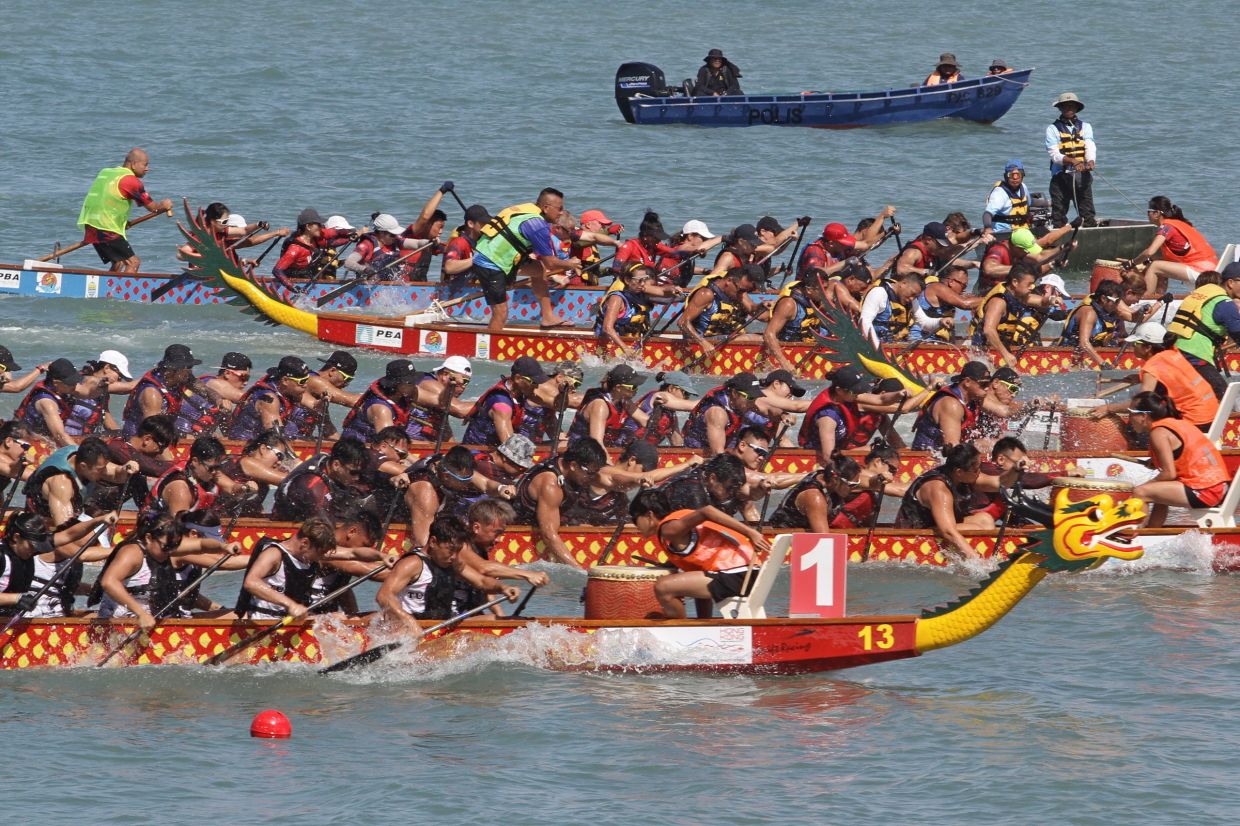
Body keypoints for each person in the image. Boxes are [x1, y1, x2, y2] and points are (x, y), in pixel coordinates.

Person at [630, 490, 771, 619]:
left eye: (636, 520)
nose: (636, 527)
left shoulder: (668, 529)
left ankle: (680, 632)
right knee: (692, 574)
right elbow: (700, 552)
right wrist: (671, 564)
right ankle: (703, 622)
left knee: (663, 587)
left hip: (737, 575)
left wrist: (750, 532)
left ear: (649, 515)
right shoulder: (678, 520)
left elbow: (706, 511)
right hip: (748, 572)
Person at [91, 511, 242, 630]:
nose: (170, 551)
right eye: (166, 547)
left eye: (174, 546)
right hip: (124, 621)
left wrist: (223, 547)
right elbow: (109, 582)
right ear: (149, 538)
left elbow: (202, 544)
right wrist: (141, 613)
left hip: (157, 617)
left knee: (240, 615)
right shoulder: (132, 553)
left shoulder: (167, 546)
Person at [376, 513, 516, 632]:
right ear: (433, 542)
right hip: (412, 629)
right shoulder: (413, 563)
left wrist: (503, 587)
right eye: (451, 550)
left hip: (442, 626)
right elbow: (384, 596)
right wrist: (409, 621)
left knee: (510, 622)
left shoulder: (452, 561)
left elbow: (481, 581)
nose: (455, 556)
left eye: (458, 550)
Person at [472, 188, 582, 332]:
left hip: (503, 257)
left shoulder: (531, 212)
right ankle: (489, 348)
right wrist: (570, 264)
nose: (561, 212)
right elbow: (551, 263)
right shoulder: (537, 225)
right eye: (559, 208)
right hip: (489, 262)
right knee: (501, 312)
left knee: (537, 270)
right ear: (546, 208)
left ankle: (548, 316)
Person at [1090, 322, 1220, 429]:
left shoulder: (1152, 367)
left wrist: (1108, 408)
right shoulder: (1172, 352)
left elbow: (1141, 404)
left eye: (1135, 344)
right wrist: (1140, 378)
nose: (1132, 348)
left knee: (1139, 417)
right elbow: (1170, 377)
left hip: (1195, 420)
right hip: (1213, 414)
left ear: (1147, 348)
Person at [1127, 392, 1230, 527]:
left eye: (1131, 413)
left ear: (1143, 416)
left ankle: (1134, 537)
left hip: (1206, 490)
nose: (1129, 419)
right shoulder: (1176, 423)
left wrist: (1144, 486)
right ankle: (1151, 532)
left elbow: (1169, 473)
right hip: (1218, 486)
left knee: (1140, 492)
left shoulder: (1158, 433)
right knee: (1158, 492)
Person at [0, 510, 117, 618]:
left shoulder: (27, 548)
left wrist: (99, 520)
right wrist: (16, 599)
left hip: (14, 614)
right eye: (32, 546)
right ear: (16, 537)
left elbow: (69, 535)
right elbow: (82, 555)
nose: (35, 551)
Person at [513, 438, 610, 567]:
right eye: (590, 473)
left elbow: (612, 477)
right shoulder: (550, 485)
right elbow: (548, 534)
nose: (594, 478)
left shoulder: (568, 465)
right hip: (519, 537)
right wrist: (579, 571)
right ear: (573, 466)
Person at [75, 148, 173, 272]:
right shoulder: (131, 181)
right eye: (145, 164)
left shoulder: (106, 172)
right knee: (133, 262)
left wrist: (121, 222)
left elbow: (105, 200)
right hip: (106, 228)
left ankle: (108, 290)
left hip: (91, 225)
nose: (147, 168)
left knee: (119, 262)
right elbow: (153, 207)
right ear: (133, 164)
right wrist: (164, 205)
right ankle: (124, 291)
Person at [233, 516, 348, 619]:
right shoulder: (274, 554)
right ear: (305, 543)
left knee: (337, 618)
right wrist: (291, 605)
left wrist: (326, 618)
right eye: (320, 553)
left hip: (290, 623)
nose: (320, 558)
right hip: (264, 624)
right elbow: (251, 582)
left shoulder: (305, 559)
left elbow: (353, 553)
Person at [798, 367, 914, 463]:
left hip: (840, 453)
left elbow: (881, 399)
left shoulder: (850, 396)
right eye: (855, 391)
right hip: (817, 460)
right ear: (839, 390)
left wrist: (899, 394)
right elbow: (829, 457)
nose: (859, 393)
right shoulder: (828, 417)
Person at [894, 443, 984, 561]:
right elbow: (948, 532)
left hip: (937, 526)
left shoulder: (958, 475)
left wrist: (1016, 470)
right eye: (976, 470)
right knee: (976, 528)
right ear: (959, 472)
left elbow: (997, 482)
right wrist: (977, 561)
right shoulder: (939, 490)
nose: (979, 472)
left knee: (985, 520)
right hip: (911, 537)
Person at [24, 436, 139, 528]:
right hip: (41, 525)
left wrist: (125, 468)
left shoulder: (83, 456)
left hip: (72, 514)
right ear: (83, 466)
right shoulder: (61, 484)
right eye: (100, 469)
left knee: (138, 480)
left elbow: (116, 474)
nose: (104, 472)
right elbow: (65, 531)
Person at [970, 263, 1059, 367]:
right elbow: (988, 330)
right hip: (980, 354)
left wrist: (1051, 299)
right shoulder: (998, 301)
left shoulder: (1018, 294)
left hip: (998, 349)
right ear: (1015, 282)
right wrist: (1006, 354)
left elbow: (1040, 301)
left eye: (1033, 283)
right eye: (1029, 284)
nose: (1033, 287)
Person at [1125, 196, 1219, 294]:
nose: (1147, 214)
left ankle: (1146, 299)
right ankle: (1158, 296)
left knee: (1154, 266)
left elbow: (1150, 251)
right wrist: (1146, 261)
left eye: (1149, 211)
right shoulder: (1179, 223)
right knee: (1157, 264)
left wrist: (1132, 263)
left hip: (1202, 271)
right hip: (1211, 268)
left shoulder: (1167, 227)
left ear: (1157, 213)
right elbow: (1159, 255)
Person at [271, 437, 369, 521]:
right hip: (289, 532)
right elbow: (325, 533)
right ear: (336, 465)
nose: (357, 477)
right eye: (353, 473)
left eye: (361, 473)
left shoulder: (328, 464)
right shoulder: (313, 488)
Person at [461, 356, 547, 446]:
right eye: (533, 382)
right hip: (478, 453)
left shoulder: (518, 393)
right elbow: (511, 449)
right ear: (518, 379)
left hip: (498, 453)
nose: (537, 387)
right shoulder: (501, 404)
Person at [679, 265, 767, 353]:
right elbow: (682, 322)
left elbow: (754, 310)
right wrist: (703, 343)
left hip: (722, 338)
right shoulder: (706, 294)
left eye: (746, 291)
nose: (742, 294)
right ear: (728, 281)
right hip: (703, 343)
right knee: (755, 339)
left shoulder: (738, 290)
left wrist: (763, 306)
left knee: (765, 337)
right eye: (741, 290)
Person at [121, 344, 203, 437]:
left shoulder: (178, 378)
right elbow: (151, 434)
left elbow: (205, 391)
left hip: (162, 434)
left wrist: (217, 401)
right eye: (188, 368)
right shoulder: (152, 393)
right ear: (173, 369)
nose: (190, 372)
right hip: (138, 441)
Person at [225, 356, 313, 440]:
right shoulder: (269, 399)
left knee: (291, 427)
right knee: (290, 429)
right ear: (285, 380)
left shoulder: (290, 391)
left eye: (307, 379)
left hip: (264, 435)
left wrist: (323, 400)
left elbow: (315, 405)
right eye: (302, 381)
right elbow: (275, 435)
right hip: (244, 442)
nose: (305, 385)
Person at [910, 362, 992, 451]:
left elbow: (1003, 411)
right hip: (927, 459)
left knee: (995, 444)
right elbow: (952, 448)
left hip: (947, 455)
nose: (987, 388)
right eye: (984, 384)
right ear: (967, 382)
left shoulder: (974, 398)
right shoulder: (951, 404)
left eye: (989, 384)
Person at [146, 435, 232, 517]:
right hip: (158, 529)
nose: (215, 472)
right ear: (195, 461)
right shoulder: (180, 488)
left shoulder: (206, 473)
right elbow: (179, 528)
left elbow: (232, 488)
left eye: (218, 467)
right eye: (211, 468)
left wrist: (244, 487)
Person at [271, 209, 357, 290]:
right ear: (308, 226)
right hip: (293, 280)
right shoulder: (295, 249)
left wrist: (350, 237)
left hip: (307, 275)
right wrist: (292, 287)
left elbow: (332, 240)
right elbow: (277, 270)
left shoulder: (314, 240)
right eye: (318, 224)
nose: (321, 227)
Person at [339, 360, 422, 444]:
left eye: (414, 380)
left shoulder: (404, 394)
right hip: (356, 450)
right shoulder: (382, 409)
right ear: (396, 384)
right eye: (410, 382)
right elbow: (390, 444)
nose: (414, 385)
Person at [1046, 92, 1096, 228]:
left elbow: (1090, 146)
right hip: (1060, 177)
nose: (1069, 108)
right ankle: (1059, 242)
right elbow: (1054, 154)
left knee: (1087, 214)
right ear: (1060, 108)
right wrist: (1073, 161)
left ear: (1076, 108)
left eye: (1072, 106)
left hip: (1082, 176)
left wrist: (1090, 161)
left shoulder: (1086, 127)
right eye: (1065, 106)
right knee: (1058, 215)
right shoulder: (1052, 129)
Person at [681, 372, 763, 453]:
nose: (753, 402)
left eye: (756, 397)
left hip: (728, 447)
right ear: (734, 393)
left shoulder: (740, 403)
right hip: (698, 454)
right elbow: (718, 455)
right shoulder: (717, 413)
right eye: (750, 397)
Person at [288, 350, 362, 440]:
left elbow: (328, 430)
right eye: (347, 378)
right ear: (333, 371)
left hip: (298, 441)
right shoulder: (315, 381)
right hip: (287, 440)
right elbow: (353, 401)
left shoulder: (321, 398)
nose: (346, 384)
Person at [568, 365, 645, 447]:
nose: (636, 390)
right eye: (633, 387)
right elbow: (597, 444)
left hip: (602, 449)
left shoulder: (623, 401)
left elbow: (646, 421)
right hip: (581, 451)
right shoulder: (600, 405)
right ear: (618, 387)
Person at [979, 224, 1075, 290]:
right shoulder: (999, 250)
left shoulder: (1019, 251)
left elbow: (1040, 258)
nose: (1028, 253)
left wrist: (1060, 252)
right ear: (1017, 247)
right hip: (988, 293)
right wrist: (1020, 269)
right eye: (1026, 250)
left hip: (1008, 292)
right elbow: (989, 269)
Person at [13, 358, 83, 447]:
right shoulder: (46, 402)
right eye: (71, 383)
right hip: (25, 441)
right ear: (56, 382)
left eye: (75, 381)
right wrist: (80, 454)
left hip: (44, 438)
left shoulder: (60, 388)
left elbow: (88, 390)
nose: (75, 385)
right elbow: (59, 436)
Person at [341, 213, 430, 282]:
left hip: (388, 284)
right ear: (381, 233)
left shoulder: (395, 240)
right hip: (369, 284)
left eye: (396, 234)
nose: (395, 237)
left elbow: (418, 243)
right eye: (392, 234)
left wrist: (430, 242)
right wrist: (366, 270)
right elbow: (348, 263)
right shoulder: (366, 244)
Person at [404, 356, 475, 443]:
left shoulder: (443, 397)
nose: (463, 387)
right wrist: (489, 402)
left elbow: (446, 434)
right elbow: (460, 410)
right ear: (445, 374)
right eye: (463, 381)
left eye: (467, 383)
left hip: (424, 443)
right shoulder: (428, 383)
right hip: (405, 444)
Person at [1059, 281, 1125, 367]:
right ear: (1103, 298)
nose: (1117, 305)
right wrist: (1103, 364)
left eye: (1119, 301)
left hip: (1090, 356)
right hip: (1069, 359)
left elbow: (1132, 317)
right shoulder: (1089, 312)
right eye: (1116, 301)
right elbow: (1084, 344)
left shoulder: (1106, 312)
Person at [595, 263, 656, 354]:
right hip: (610, 346)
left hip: (631, 340)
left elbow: (663, 292)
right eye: (639, 280)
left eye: (644, 280)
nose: (643, 284)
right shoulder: (616, 298)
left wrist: (673, 289)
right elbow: (607, 328)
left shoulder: (637, 292)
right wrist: (625, 348)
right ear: (627, 280)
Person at [616, 381, 697, 448]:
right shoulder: (659, 396)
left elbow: (677, 444)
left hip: (643, 451)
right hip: (622, 448)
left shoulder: (671, 416)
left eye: (689, 395)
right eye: (685, 393)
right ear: (671, 388)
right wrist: (707, 401)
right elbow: (691, 406)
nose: (686, 398)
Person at [910, 264, 980, 341]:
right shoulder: (937, 287)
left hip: (938, 342)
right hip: (919, 340)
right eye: (963, 285)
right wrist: (991, 298)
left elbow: (961, 333)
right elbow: (966, 304)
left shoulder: (951, 302)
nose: (964, 290)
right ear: (951, 282)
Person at [859, 270, 924, 343]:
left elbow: (923, 321)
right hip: (877, 345)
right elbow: (864, 321)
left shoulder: (911, 299)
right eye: (912, 293)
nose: (912, 298)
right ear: (903, 283)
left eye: (915, 296)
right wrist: (877, 348)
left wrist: (938, 322)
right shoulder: (879, 293)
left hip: (896, 344)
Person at [441, 204, 492, 286]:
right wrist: (476, 259)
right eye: (483, 223)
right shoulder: (459, 242)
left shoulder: (480, 242)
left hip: (471, 289)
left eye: (487, 223)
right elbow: (449, 267)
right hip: (452, 291)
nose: (486, 226)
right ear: (470, 224)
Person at [983, 160, 1032, 233]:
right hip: (1003, 233)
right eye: (1011, 175)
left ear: (1022, 175)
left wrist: (1050, 203)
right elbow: (987, 214)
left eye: (1018, 174)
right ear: (1006, 176)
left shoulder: (1023, 187)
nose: (1015, 178)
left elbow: (1031, 202)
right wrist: (988, 229)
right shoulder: (1000, 193)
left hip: (1022, 230)